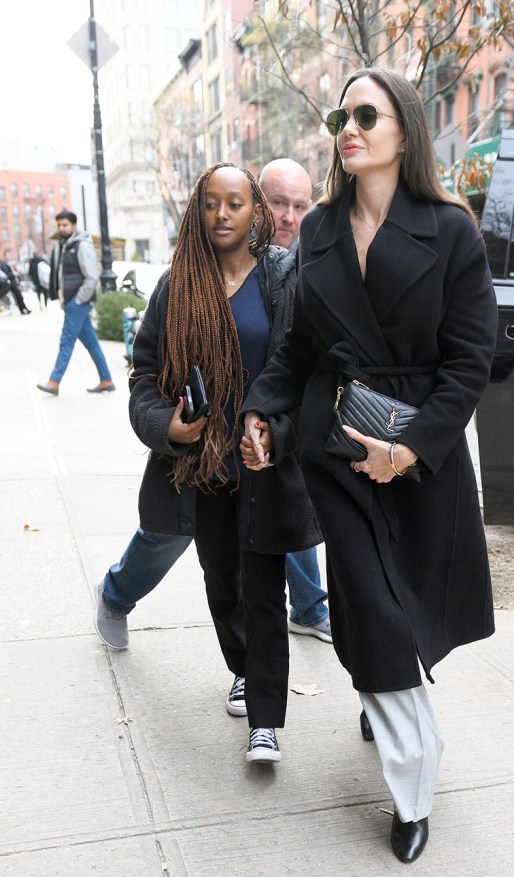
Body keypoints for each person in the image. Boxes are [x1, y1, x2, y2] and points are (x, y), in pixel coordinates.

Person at [241, 68, 497, 862]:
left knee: (403, 610)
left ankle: (385, 700)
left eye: (365, 114)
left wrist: (412, 446)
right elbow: (296, 349)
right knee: (377, 617)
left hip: (421, 452)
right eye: (338, 116)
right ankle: (413, 785)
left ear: (403, 129)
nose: (346, 128)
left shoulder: (451, 231)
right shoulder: (317, 229)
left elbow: (470, 360)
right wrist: (263, 411)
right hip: (337, 449)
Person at [102, 162, 321, 764]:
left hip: (265, 465)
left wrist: (275, 431)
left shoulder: (281, 277)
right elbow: (143, 375)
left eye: (235, 203)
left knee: (265, 592)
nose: (222, 214)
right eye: (210, 204)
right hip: (204, 471)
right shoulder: (177, 285)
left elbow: (303, 371)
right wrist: (166, 427)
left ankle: (266, 723)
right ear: (196, 213)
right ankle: (243, 669)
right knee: (223, 585)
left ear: (254, 212)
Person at [258, 158, 330, 641]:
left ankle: (309, 609)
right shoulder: (228, 263)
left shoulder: (312, 266)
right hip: (221, 425)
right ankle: (115, 593)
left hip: (279, 420)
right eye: (277, 203)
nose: (288, 216)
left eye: (300, 205)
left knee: (293, 505)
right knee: (169, 533)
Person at [37, 210, 115, 396]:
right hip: (71, 302)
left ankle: (54, 382)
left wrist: (78, 300)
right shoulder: (64, 245)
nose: (61, 228)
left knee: (66, 341)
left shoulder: (81, 245)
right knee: (91, 343)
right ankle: (107, 380)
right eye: (59, 225)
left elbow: (92, 277)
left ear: (73, 225)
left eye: (65, 225)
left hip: (77, 302)